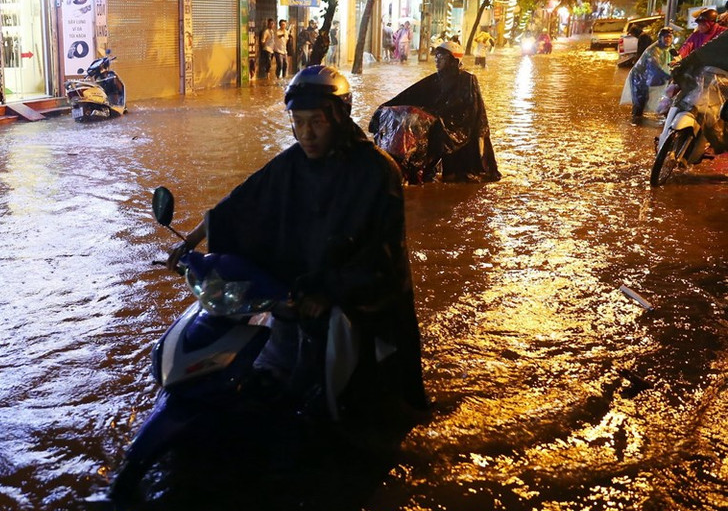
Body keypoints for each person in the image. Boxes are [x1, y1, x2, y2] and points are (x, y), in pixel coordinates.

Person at [168, 66, 428, 420]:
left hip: (358, 302)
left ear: (339, 118)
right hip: (299, 293)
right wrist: (191, 241)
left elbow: (380, 255)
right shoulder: (293, 162)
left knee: (356, 411)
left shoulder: (377, 171)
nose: (307, 134)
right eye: (298, 122)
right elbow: (242, 202)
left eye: (317, 122)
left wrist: (330, 292)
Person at [369, 41, 501, 182]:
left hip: (460, 128)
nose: (437, 59)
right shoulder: (436, 79)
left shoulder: (468, 79)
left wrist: (440, 117)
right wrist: (386, 107)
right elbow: (412, 94)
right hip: (440, 122)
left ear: (453, 60)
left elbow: (470, 110)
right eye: (436, 56)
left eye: (441, 57)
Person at [626, 27, 674, 124]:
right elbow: (655, 67)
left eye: (670, 37)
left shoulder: (670, 49)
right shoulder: (653, 50)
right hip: (639, 76)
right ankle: (636, 122)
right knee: (640, 100)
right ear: (660, 38)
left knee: (647, 98)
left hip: (649, 77)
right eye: (665, 37)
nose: (668, 39)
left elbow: (676, 59)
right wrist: (668, 76)